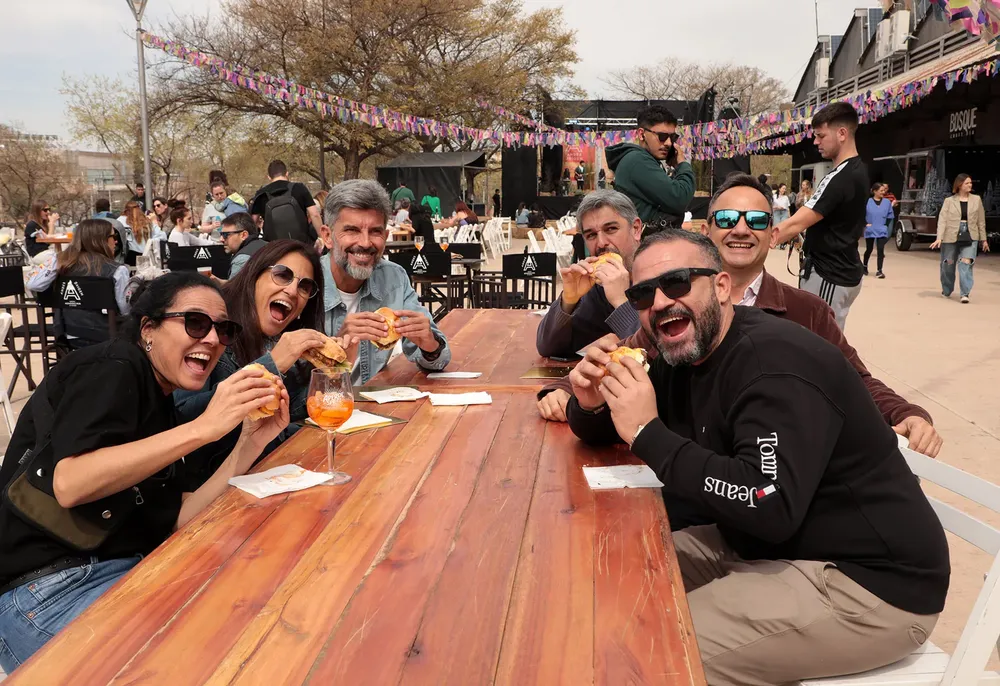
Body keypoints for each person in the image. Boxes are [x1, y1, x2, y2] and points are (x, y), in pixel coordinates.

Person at [566, 229, 949, 686]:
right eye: (644, 294)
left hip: (867, 584)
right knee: (600, 577)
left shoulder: (775, 365)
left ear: (721, 286)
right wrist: (590, 402)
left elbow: (767, 500)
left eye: (678, 282)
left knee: (648, 648)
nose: (661, 302)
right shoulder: (683, 354)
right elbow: (611, 427)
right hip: (759, 544)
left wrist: (648, 433)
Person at [536, 174, 943, 460]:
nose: (741, 230)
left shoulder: (806, 311)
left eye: (758, 221)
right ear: (707, 231)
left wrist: (904, 413)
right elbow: (622, 361)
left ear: (774, 234)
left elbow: (854, 380)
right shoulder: (672, 305)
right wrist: (571, 393)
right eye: (728, 220)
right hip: (688, 473)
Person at [0, 272, 289, 673]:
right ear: (148, 329)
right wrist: (203, 428)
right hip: (47, 594)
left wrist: (249, 443)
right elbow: (70, 483)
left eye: (223, 330)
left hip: (126, 575)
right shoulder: (112, 366)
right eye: (195, 323)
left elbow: (181, 517)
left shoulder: (161, 401)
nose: (212, 339)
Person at [175, 240, 327, 485]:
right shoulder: (213, 329)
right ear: (254, 276)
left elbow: (286, 418)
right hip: (207, 486)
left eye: (304, 286)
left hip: (267, 475)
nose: (292, 291)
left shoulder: (278, 339)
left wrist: (330, 374)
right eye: (283, 275)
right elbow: (181, 415)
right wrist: (271, 365)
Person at [319, 179, 451, 384]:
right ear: (328, 236)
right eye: (352, 230)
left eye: (375, 231)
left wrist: (430, 345)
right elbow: (291, 383)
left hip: (375, 400)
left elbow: (439, 359)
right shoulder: (304, 286)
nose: (365, 243)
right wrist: (338, 348)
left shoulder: (394, 278)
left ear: (386, 236)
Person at [772, 103, 869, 330]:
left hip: (829, 274)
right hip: (837, 270)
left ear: (842, 133)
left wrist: (756, 239)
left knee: (818, 339)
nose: (816, 142)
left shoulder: (841, 177)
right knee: (820, 337)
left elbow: (796, 223)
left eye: (820, 136)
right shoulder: (856, 170)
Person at [535, 190, 642, 360]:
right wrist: (569, 301)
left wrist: (621, 302)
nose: (601, 243)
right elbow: (547, 347)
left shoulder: (663, 276)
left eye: (611, 229)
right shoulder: (601, 290)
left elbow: (663, 356)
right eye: (591, 235)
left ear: (636, 229)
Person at [26, 219, 131, 351]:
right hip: (107, 338)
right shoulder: (118, 270)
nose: (116, 241)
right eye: (113, 236)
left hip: (68, 336)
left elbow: (33, 284)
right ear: (101, 240)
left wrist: (56, 261)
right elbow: (126, 309)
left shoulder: (61, 263)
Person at [606, 105, 695, 233]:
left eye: (672, 137)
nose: (668, 143)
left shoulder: (641, 160)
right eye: (662, 136)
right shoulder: (638, 161)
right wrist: (682, 164)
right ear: (641, 134)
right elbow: (680, 197)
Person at [931, 173, 989, 303]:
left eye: (970, 183)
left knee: (965, 263)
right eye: (967, 183)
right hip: (951, 236)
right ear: (959, 185)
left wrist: (983, 239)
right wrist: (939, 238)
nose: (970, 185)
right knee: (948, 264)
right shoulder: (949, 201)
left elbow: (981, 221)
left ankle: (965, 293)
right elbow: (942, 220)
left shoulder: (976, 200)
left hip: (970, 235)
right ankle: (947, 289)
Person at [249, 160, 321, 244]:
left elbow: (253, 222)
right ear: (286, 173)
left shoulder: (261, 194)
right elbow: (315, 214)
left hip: (274, 246)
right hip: (301, 244)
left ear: (269, 177)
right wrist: (321, 237)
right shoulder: (299, 188)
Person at [220, 212, 267, 279]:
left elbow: (235, 286)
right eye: (221, 234)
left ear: (244, 235)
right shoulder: (267, 245)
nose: (221, 239)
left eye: (226, 235)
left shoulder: (242, 259)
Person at [864, 182, 894, 278]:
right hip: (870, 228)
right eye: (881, 190)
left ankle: (879, 270)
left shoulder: (887, 203)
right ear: (874, 191)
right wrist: (865, 223)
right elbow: (861, 214)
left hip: (881, 228)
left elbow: (890, 216)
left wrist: (885, 226)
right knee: (869, 249)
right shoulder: (867, 202)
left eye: (884, 190)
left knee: (880, 249)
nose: (883, 192)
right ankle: (864, 266)